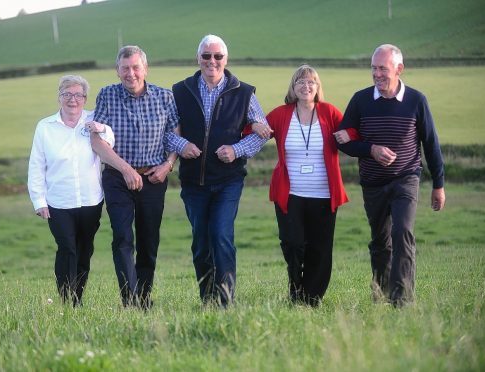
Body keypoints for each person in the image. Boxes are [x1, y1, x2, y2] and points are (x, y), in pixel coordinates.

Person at [335, 44, 446, 307]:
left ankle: (402, 300)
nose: (376, 74)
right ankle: (381, 295)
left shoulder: (416, 101)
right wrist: (370, 149)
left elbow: (430, 144)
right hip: (373, 182)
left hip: (406, 177)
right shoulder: (360, 100)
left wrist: (438, 185)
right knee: (380, 241)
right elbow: (342, 140)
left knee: (403, 232)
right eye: (373, 68)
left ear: (399, 69)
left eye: (382, 68)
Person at [167, 34, 269, 306]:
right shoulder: (180, 90)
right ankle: (207, 299)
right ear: (198, 58)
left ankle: (225, 302)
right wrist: (182, 143)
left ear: (226, 59)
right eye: (206, 56)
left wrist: (237, 149)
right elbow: (166, 131)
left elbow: (262, 131)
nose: (212, 61)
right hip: (193, 182)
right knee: (201, 243)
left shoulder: (244, 91)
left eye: (218, 56)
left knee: (221, 236)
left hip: (228, 181)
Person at [90, 45, 178, 309]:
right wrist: (126, 169)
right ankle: (129, 300)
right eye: (125, 68)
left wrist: (168, 165)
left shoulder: (165, 97)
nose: (131, 73)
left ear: (145, 69)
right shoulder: (107, 95)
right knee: (123, 238)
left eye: (136, 67)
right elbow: (97, 141)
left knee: (149, 241)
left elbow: (175, 134)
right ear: (117, 71)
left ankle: (144, 297)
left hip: (153, 178)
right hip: (118, 177)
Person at [262, 65, 355, 307]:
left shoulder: (329, 113)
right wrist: (255, 127)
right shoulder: (282, 114)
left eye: (311, 82)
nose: (306, 86)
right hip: (290, 193)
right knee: (292, 243)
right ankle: (295, 288)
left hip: (324, 194)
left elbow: (353, 131)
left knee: (320, 248)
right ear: (293, 88)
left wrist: (349, 135)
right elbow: (254, 127)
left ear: (317, 87)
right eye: (300, 82)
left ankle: (311, 299)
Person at [28, 75, 114, 306]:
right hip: (58, 203)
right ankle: (68, 299)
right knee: (67, 248)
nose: (72, 99)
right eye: (67, 94)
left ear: (85, 98)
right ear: (59, 97)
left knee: (84, 250)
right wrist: (39, 201)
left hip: (91, 200)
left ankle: (78, 295)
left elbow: (111, 140)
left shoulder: (94, 119)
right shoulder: (45, 127)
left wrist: (102, 128)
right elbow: (36, 165)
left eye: (77, 95)